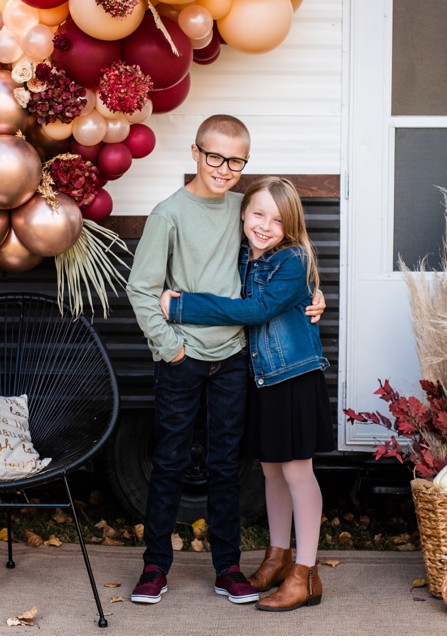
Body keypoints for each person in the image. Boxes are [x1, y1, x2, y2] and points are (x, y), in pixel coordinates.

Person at [124, 115, 320, 606]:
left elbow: (282, 255)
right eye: (215, 157)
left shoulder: (245, 209)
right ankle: (155, 566)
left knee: (226, 464)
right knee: (168, 461)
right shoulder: (169, 213)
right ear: (195, 153)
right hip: (182, 358)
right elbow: (141, 289)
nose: (225, 168)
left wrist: (314, 294)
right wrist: (168, 346)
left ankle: (228, 568)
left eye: (236, 161)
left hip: (234, 357)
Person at [161, 177, 334, 612]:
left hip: (292, 375)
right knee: (271, 472)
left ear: (290, 226)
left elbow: (255, 310)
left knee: (297, 472)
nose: (265, 225)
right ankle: (277, 557)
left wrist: (183, 306)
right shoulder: (239, 256)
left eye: (278, 219)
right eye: (258, 213)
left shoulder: (292, 260)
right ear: (242, 213)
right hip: (261, 378)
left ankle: (305, 573)